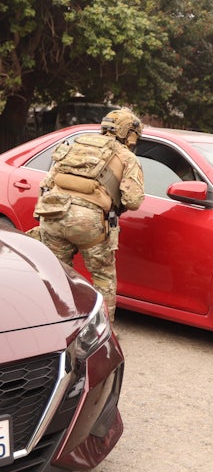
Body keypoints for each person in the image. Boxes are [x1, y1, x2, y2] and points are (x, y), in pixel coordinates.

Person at [34, 108, 145, 323]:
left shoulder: (78, 144)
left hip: (52, 214)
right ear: (129, 133)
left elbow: (47, 184)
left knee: (56, 276)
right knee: (103, 277)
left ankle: (53, 326)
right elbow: (133, 201)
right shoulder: (127, 157)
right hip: (88, 223)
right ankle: (102, 334)